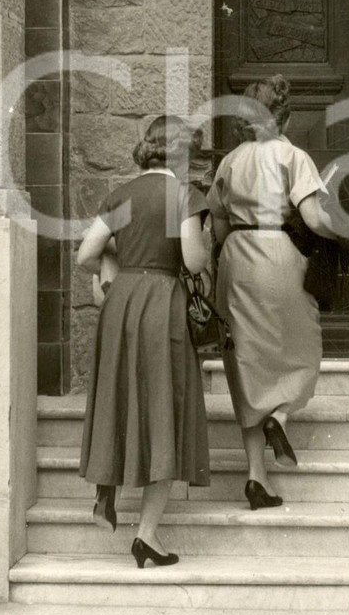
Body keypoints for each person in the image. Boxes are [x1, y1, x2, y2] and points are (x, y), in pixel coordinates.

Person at [76, 114, 211, 569]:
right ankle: (146, 535)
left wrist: (119, 260)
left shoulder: (122, 195)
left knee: (118, 395)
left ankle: (105, 492)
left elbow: (86, 255)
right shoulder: (183, 195)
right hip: (162, 304)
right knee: (164, 411)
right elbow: (192, 262)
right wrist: (206, 242)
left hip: (122, 303)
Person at [207, 75, 335, 509]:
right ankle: (279, 416)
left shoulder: (228, 161)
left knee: (245, 363)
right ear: (285, 116)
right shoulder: (293, 156)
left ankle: (256, 477)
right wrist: (342, 233)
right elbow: (314, 220)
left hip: (237, 257)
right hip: (277, 251)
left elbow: (218, 225)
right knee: (301, 345)